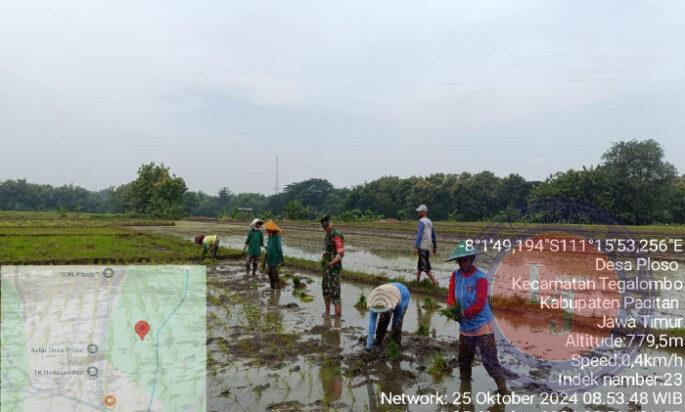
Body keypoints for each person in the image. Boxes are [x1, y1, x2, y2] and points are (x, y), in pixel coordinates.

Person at [446, 240, 508, 396]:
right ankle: (464, 392)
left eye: (465, 259)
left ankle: (503, 391)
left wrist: (464, 313)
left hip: (482, 327)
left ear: (472, 258)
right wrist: (452, 310)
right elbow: (451, 297)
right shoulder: (455, 275)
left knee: (490, 362)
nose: (462, 263)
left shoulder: (480, 277)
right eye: (459, 260)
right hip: (465, 327)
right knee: (464, 361)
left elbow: (479, 302)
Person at [365, 283, 410, 351]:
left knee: (398, 323)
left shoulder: (398, 302)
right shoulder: (375, 302)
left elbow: (397, 317)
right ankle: (378, 341)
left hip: (402, 296)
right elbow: (372, 324)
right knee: (383, 319)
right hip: (385, 295)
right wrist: (368, 346)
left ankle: (396, 344)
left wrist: (394, 328)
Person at [320, 215, 344, 317]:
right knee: (325, 290)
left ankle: (338, 317)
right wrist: (324, 254)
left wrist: (332, 262)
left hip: (334, 270)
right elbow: (326, 249)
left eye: (327, 226)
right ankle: (327, 312)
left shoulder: (336, 234)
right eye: (324, 227)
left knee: (335, 293)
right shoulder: (327, 235)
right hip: (326, 269)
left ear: (330, 222)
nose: (326, 228)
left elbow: (340, 253)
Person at [414, 204, 438, 287]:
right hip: (428, 247)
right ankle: (417, 281)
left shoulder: (421, 221)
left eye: (419, 211)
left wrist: (416, 247)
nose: (418, 213)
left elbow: (419, 235)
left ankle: (435, 282)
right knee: (420, 264)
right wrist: (434, 247)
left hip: (422, 247)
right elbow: (433, 235)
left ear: (423, 212)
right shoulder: (430, 222)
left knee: (426, 267)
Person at [264, 220, 284, 289]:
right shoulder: (269, 237)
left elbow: (279, 249)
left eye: (268, 229)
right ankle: (272, 289)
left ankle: (278, 290)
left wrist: (281, 259)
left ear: (271, 229)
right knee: (269, 274)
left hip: (275, 259)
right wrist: (266, 256)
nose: (266, 230)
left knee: (275, 274)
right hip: (269, 259)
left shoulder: (277, 237)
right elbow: (268, 247)